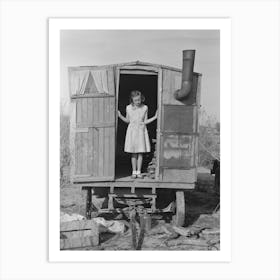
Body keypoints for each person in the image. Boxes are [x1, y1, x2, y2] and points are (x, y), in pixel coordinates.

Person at [118, 90, 158, 179]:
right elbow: (128, 120)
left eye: (139, 100)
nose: (138, 102)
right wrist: (120, 116)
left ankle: (139, 172)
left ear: (141, 99)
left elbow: (145, 121)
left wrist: (155, 117)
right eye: (136, 100)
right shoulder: (128, 108)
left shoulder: (145, 108)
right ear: (132, 100)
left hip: (141, 131)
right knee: (133, 153)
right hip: (132, 131)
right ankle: (134, 171)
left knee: (140, 152)